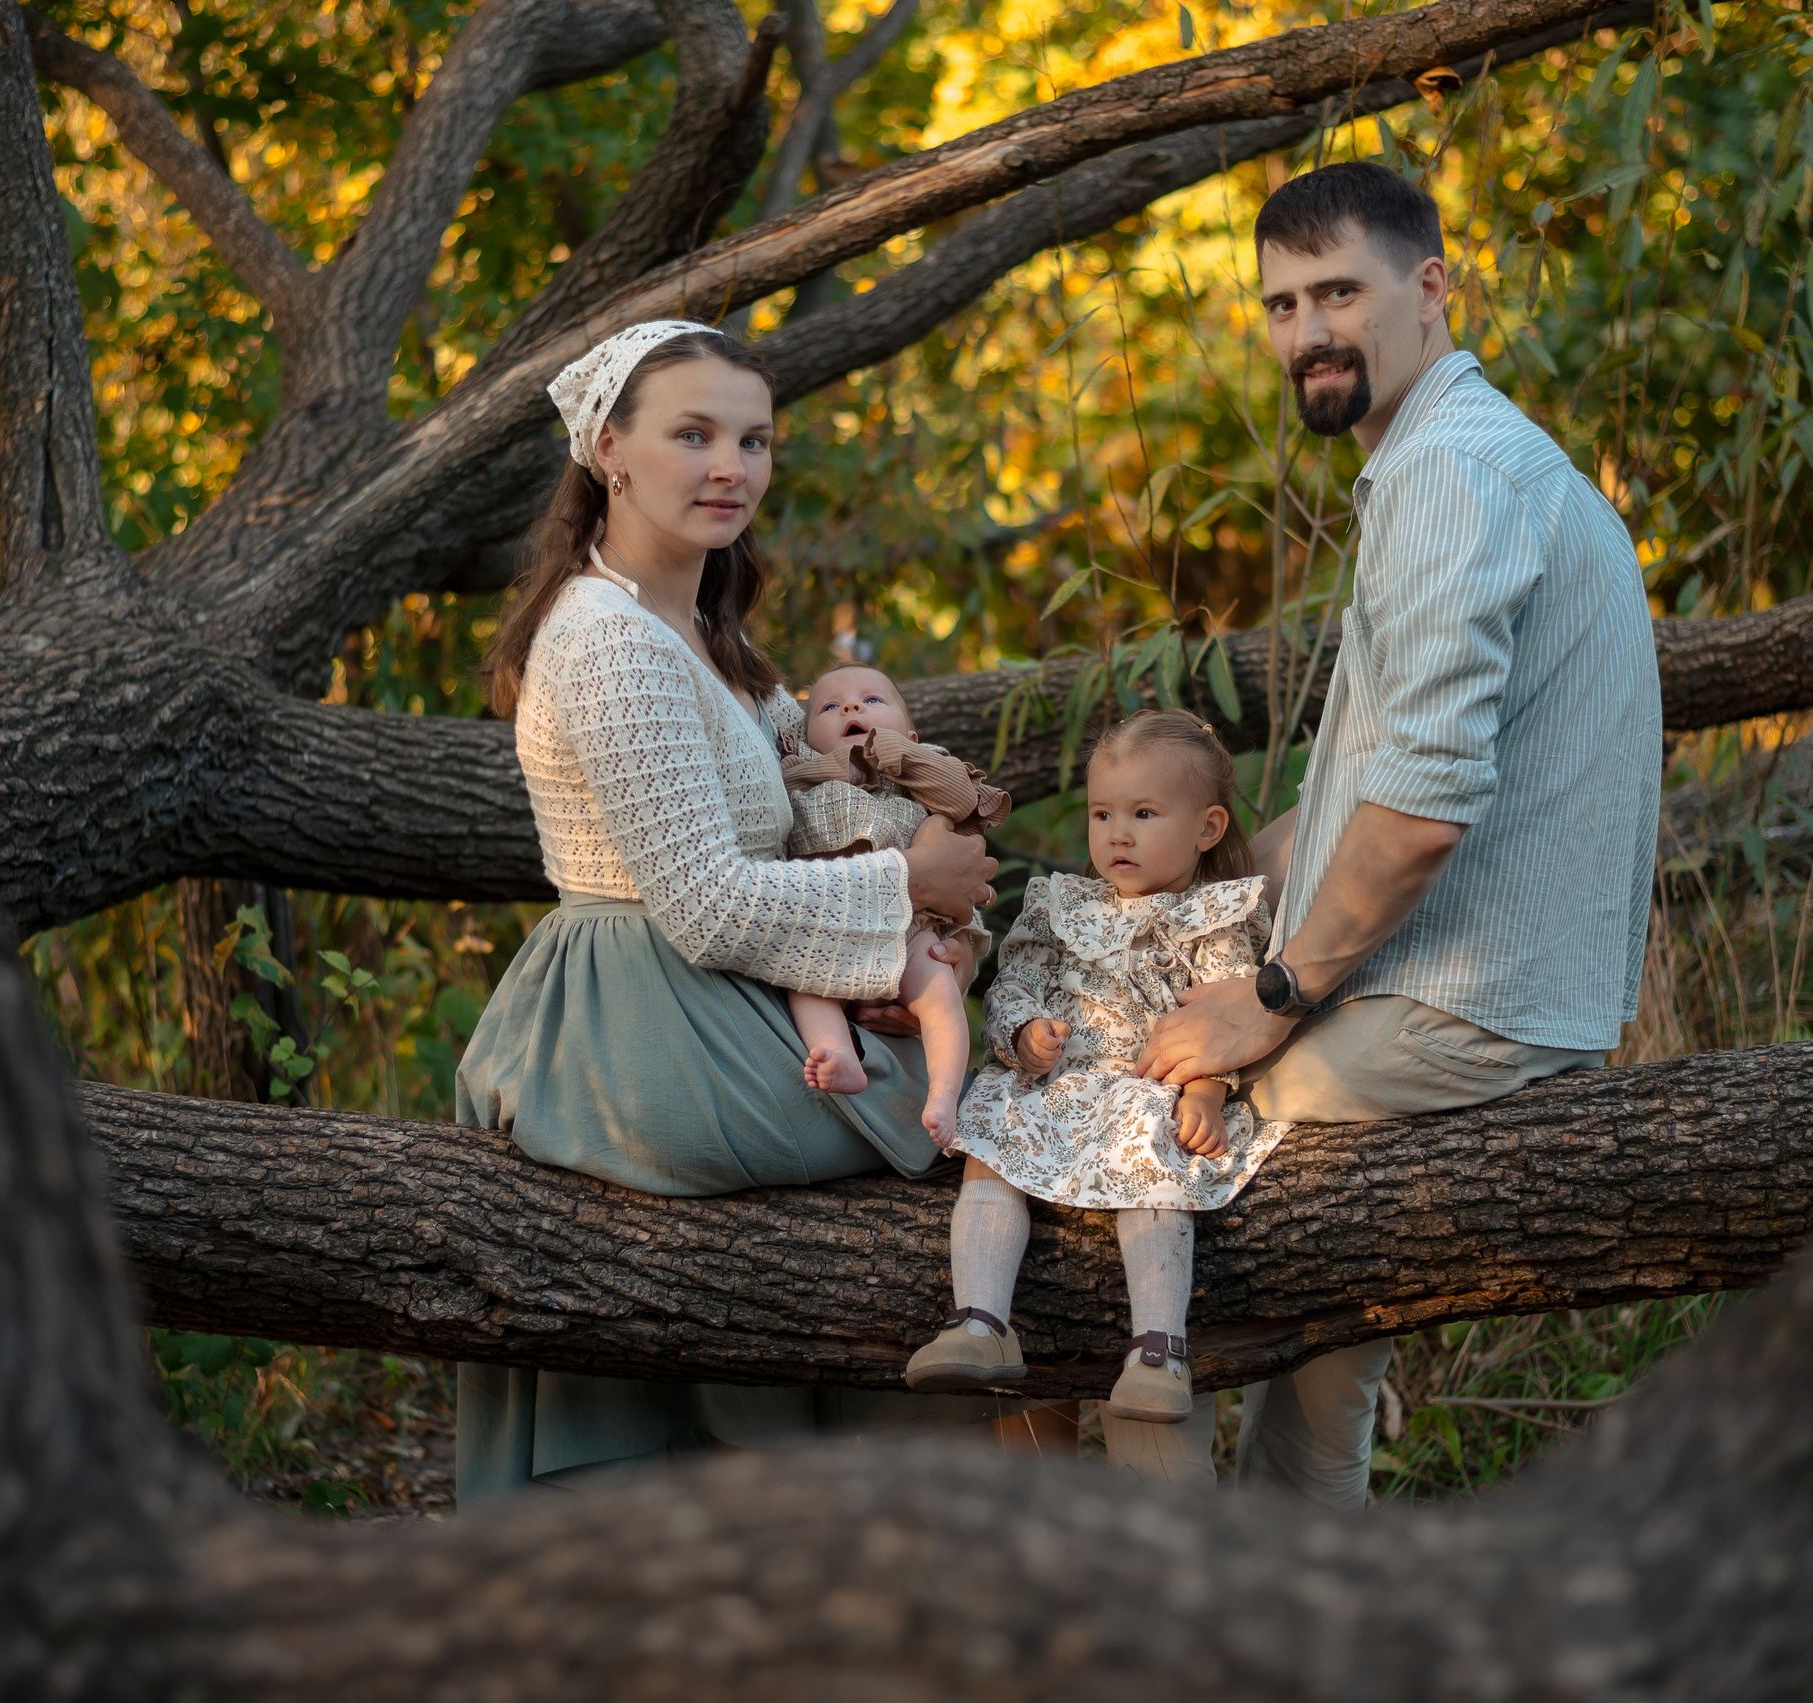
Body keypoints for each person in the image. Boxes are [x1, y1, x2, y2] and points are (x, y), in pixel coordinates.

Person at [1130, 161, 1663, 1501]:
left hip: (1462, 999)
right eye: (1280, 303)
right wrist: (1201, 905)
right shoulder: (1450, 460)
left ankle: (1147, 1596)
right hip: (1473, 984)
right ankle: (1296, 1605)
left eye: (1340, 292)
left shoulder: (1451, 476)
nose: (1307, 330)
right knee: (1329, 1352)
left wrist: (1269, 996)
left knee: (1131, 1130)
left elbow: (1421, 817)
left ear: (1431, 290)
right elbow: (1371, 781)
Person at [451, 319, 1003, 1502]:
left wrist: (925, 841)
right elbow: (701, 903)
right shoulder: (607, 641)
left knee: (977, 1054)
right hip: (633, 1010)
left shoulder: (704, 631)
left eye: (750, 439)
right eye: (691, 434)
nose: (729, 467)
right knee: (973, 1106)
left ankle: (865, 1516)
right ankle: (884, 1500)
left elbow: (800, 822)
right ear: (609, 449)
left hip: (711, 976)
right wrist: (909, 888)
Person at [906, 712, 1282, 1429]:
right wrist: (1024, 1034)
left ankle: (1157, 1349)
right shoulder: (1060, 907)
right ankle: (981, 1320)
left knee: (1154, 1147)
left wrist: (1206, 1087)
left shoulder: (1215, 916)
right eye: (1102, 812)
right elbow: (1015, 980)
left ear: (1206, 828)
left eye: (1144, 813)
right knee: (993, 1126)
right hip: (1060, 1083)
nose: (1117, 833)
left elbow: (1229, 1014)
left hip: (1148, 1083)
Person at [779, 662, 1010, 1147]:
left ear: (911, 731)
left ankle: (945, 1092)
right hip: (828, 923)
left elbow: (962, 796)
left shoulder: (921, 769)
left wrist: (895, 751)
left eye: (871, 700)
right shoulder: (799, 772)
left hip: (911, 923)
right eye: (829, 707)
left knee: (939, 993)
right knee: (806, 986)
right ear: (806, 736)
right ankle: (839, 1055)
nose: (851, 707)